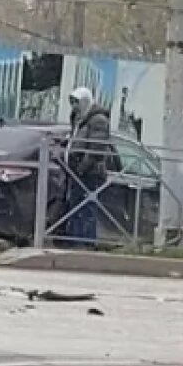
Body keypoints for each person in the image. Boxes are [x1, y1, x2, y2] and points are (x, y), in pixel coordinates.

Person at [62, 87, 113, 247]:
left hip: (90, 172)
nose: (74, 106)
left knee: (87, 207)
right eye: (72, 102)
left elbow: (96, 149)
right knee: (76, 206)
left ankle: (86, 242)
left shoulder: (98, 120)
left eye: (77, 102)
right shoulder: (79, 118)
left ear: (85, 101)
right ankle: (76, 240)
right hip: (77, 170)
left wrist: (82, 168)